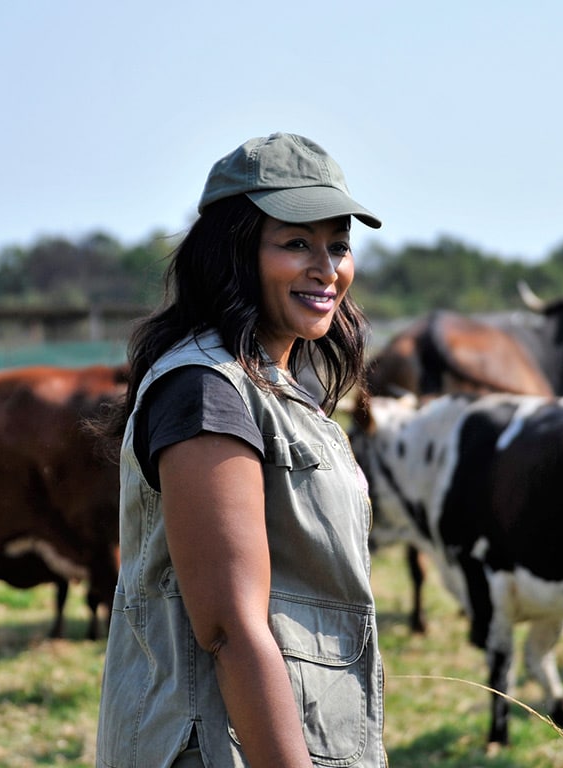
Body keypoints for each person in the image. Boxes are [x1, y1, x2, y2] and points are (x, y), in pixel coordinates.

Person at [94, 133, 387, 768]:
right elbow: (227, 627)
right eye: (295, 243)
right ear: (234, 254)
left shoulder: (275, 389)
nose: (326, 267)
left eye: (338, 244)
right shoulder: (206, 390)